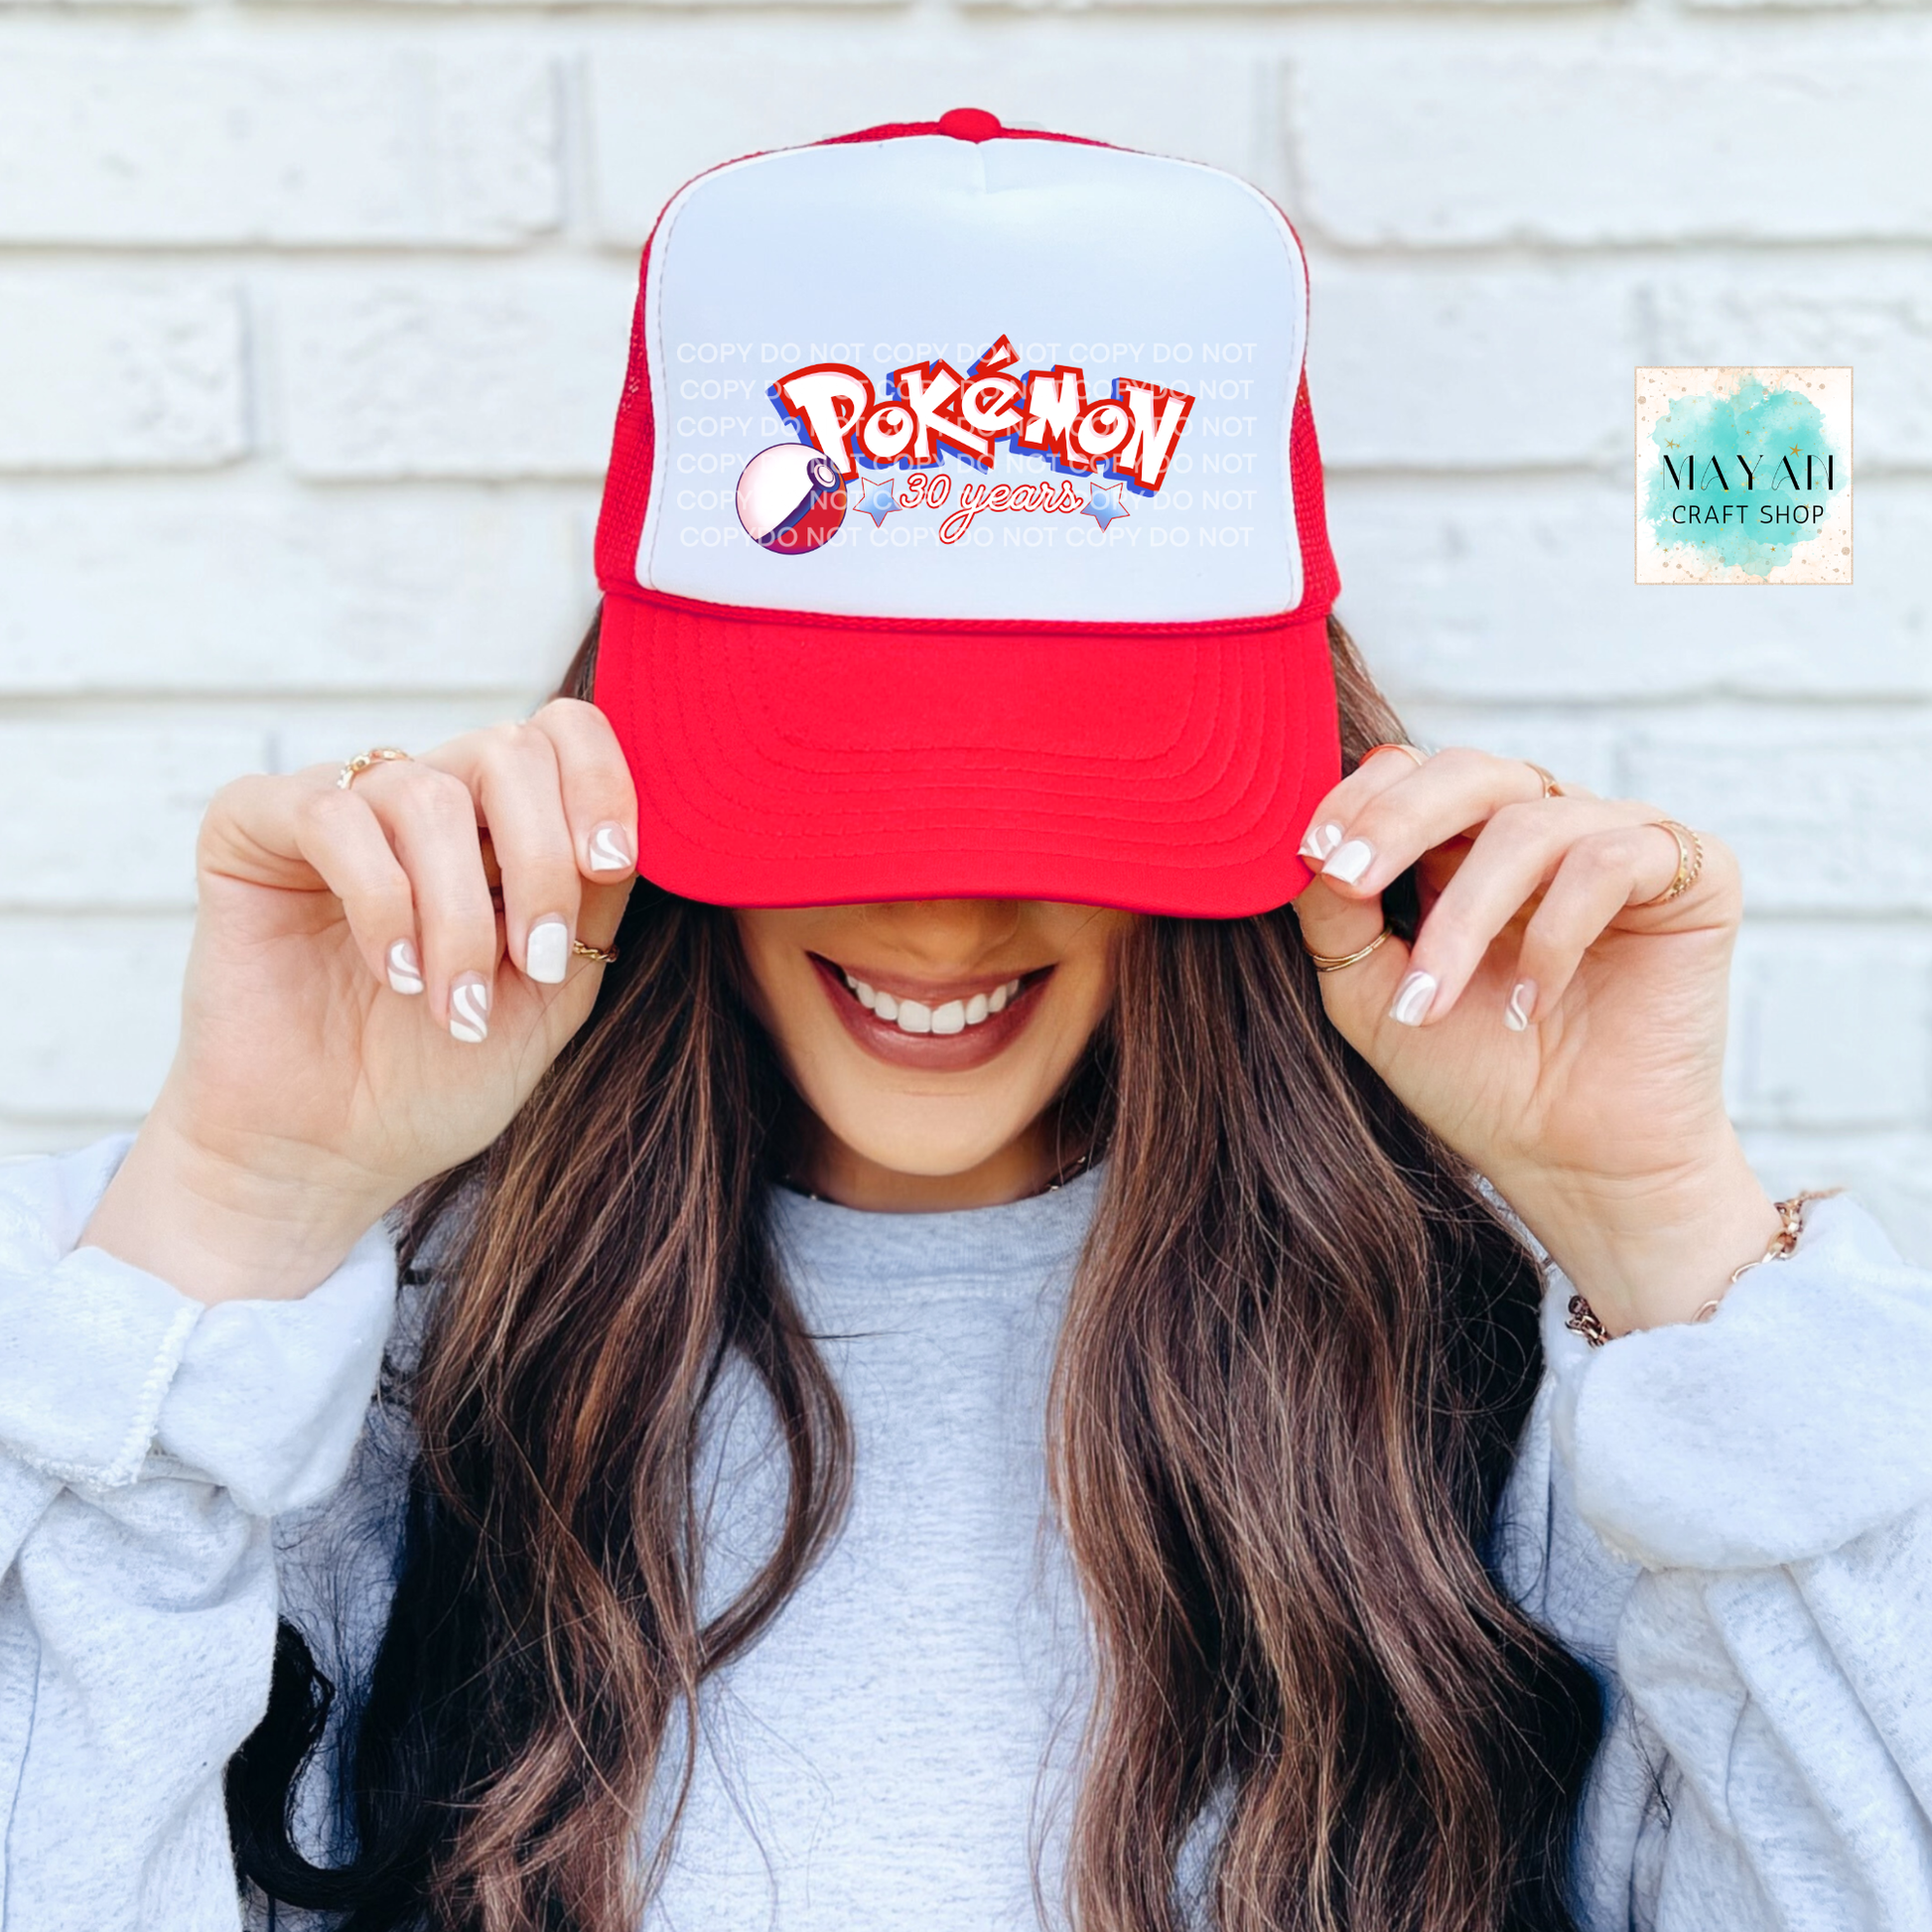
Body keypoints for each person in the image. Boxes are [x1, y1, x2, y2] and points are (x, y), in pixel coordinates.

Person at [3, 111, 1930, 1932]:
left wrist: (1668, 1236)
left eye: (1066, 786)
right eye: (834, 780)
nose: (939, 899)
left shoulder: (1529, 1374)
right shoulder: (371, 1354)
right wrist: (229, 1218)